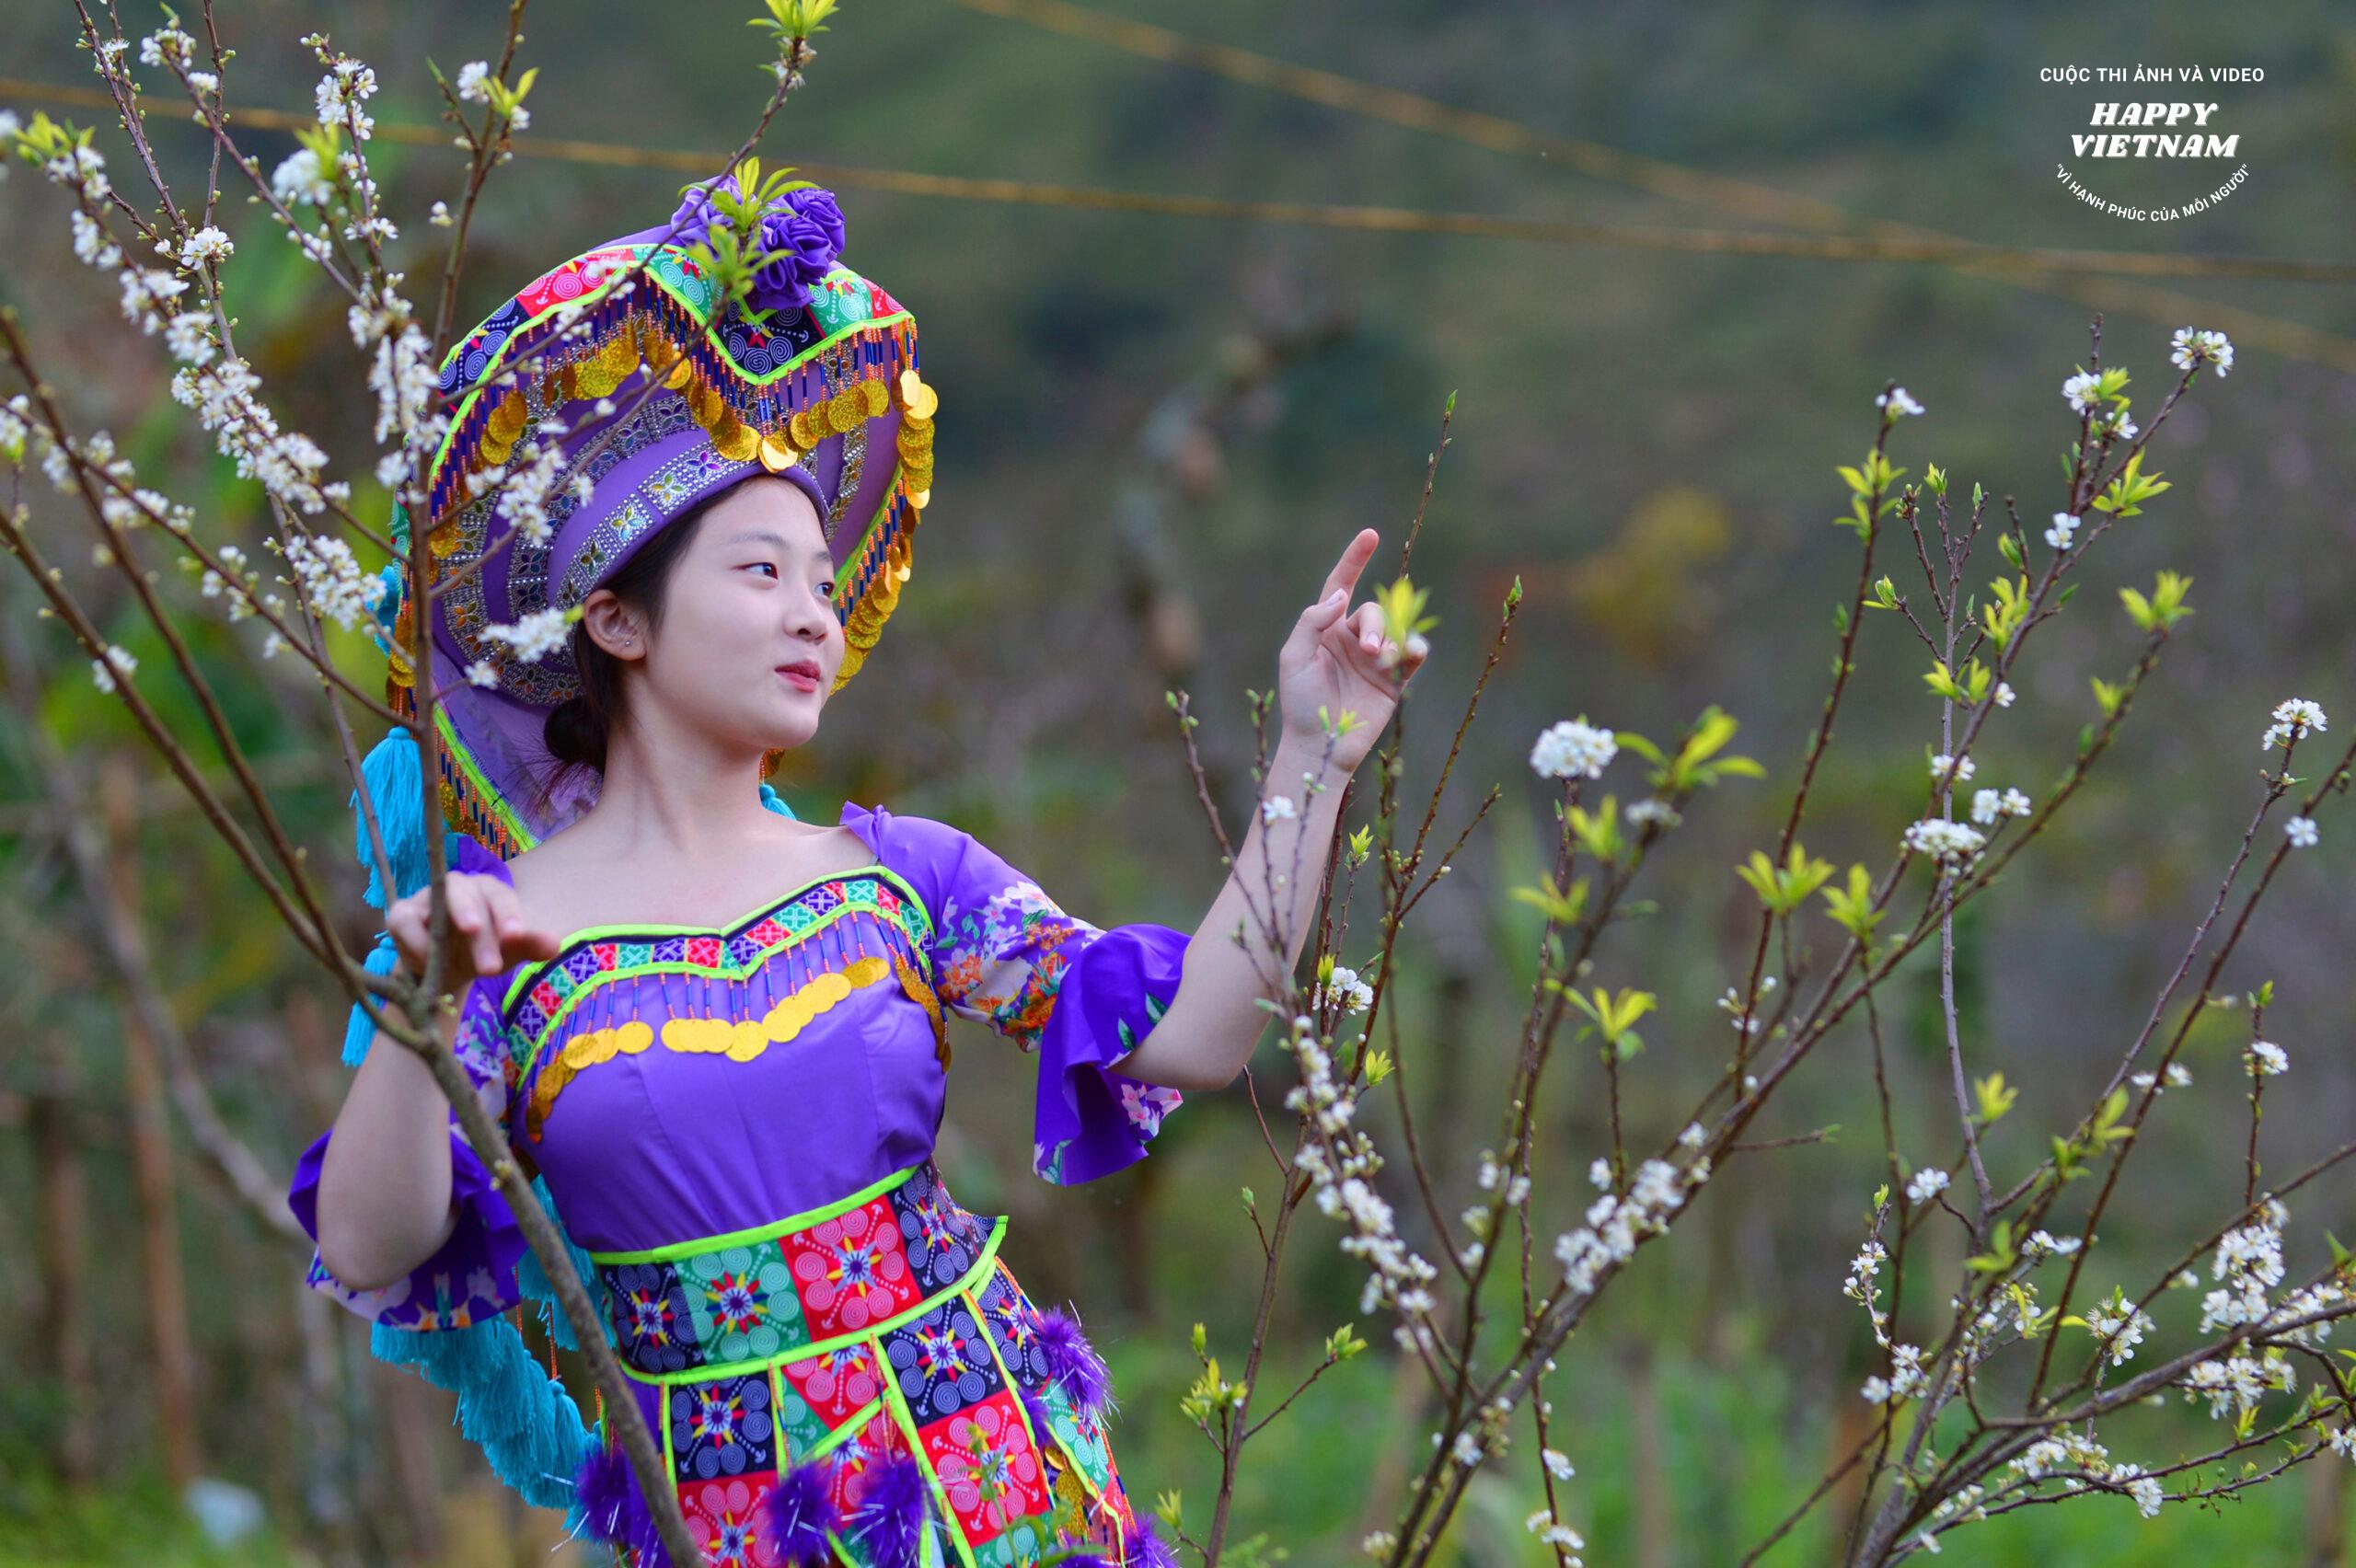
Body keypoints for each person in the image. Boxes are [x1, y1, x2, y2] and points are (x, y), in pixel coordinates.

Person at [288, 173, 1426, 1568]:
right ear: (618, 621)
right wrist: (418, 1008)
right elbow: (371, 1246)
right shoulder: (495, 939)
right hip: (729, 1530)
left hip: (1005, 1490)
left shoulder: (902, 878)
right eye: (761, 574)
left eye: (824, 583)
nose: (813, 617)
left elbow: (1193, 1033)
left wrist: (1315, 753)